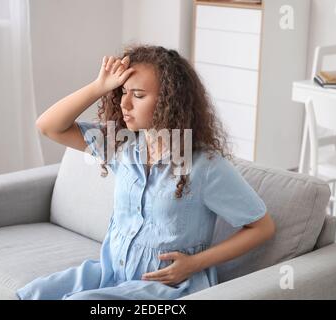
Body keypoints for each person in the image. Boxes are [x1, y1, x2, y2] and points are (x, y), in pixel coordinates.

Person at [16, 45, 276, 300]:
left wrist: (194, 263)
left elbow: (261, 227)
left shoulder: (205, 166)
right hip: (112, 274)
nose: (125, 104)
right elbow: (49, 126)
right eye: (122, 92)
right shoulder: (121, 146)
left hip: (168, 288)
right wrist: (99, 86)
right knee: (33, 294)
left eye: (138, 95)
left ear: (168, 102)